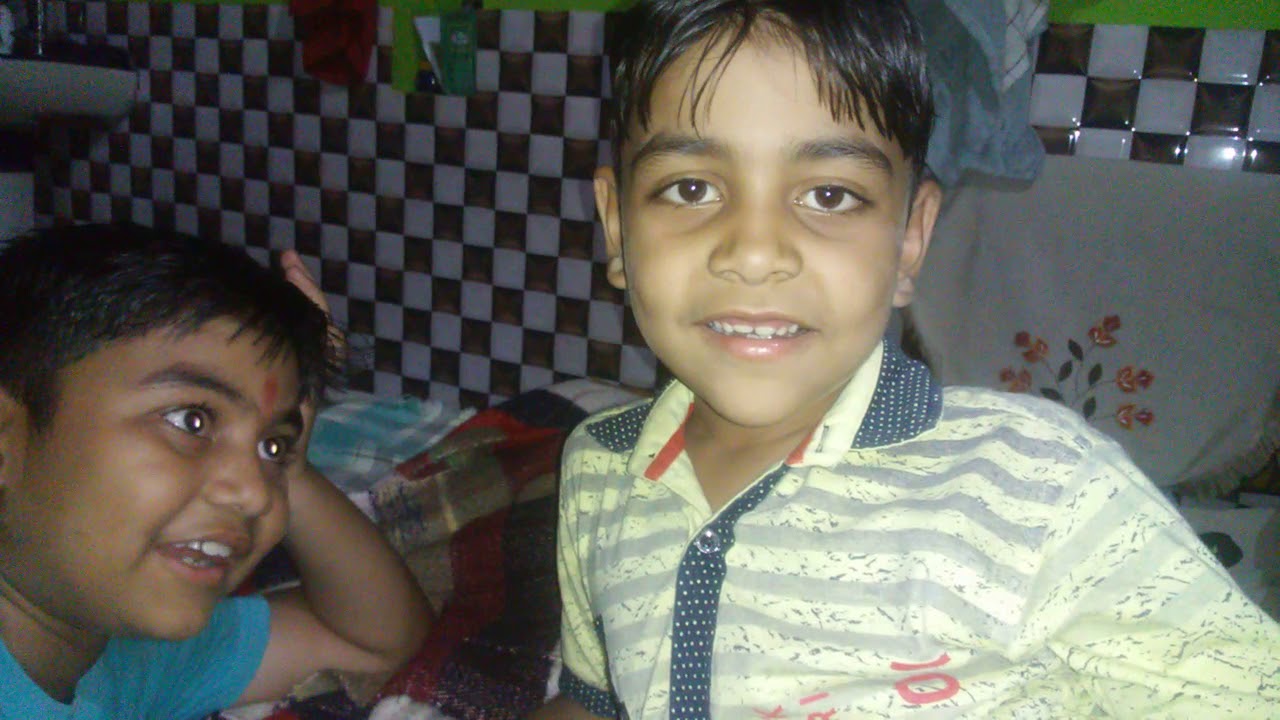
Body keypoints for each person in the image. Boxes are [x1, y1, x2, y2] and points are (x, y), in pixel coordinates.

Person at [533, 1, 1280, 718]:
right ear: (617, 226)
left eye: (830, 195)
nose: (755, 254)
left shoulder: (1040, 484)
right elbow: (600, 700)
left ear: (911, 239)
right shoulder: (598, 467)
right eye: (691, 188)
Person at [0, 223, 433, 718]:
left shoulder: (119, 653)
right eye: (192, 420)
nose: (256, 494)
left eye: (272, 448)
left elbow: (376, 641)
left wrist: (291, 469)